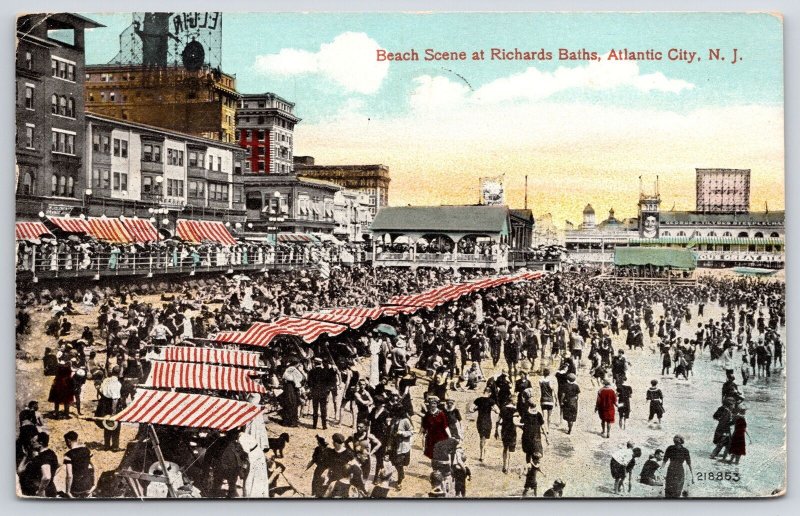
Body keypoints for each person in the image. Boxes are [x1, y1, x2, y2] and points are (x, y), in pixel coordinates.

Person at [18, 432, 59, 497]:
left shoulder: (44, 457)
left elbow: (47, 477)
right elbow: (20, 471)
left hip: (42, 493)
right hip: (46, 490)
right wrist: (25, 456)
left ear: (41, 443)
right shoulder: (49, 454)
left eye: (33, 442)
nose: (31, 444)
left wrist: (41, 491)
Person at [95, 366, 122, 451]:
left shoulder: (106, 380)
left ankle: (106, 445)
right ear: (119, 373)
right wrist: (113, 412)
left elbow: (100, 391)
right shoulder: (117, 384)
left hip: (104, 402)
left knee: (106, 423)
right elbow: (115, 399)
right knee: (115, 425)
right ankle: (115, 446)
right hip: (111, 404)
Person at [387, 406, 414, 490]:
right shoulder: (394, 419)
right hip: (394, 445)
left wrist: (402, 433)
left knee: (399, 464)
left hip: (402, 446)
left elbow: (411, 431)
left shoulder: (405, 420)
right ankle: (401, 475)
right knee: (394, 462)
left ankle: (399, 481)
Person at [63, 431, 95, 498]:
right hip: (88, 484)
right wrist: (94, 485)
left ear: (68, 441)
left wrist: (67, 491)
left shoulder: (68, 455)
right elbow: (94, 467)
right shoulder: (86, 450)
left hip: (76, 487)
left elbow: (69, 475)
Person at [470, 388, 498, 462]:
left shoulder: (478, 400)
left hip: (480, 421)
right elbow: (498, 411)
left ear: (484, 392)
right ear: (490, 393)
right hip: (487, 421)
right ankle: (483, 455)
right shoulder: (491, 401)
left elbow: (470, 409)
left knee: (481, 438)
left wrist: (477, 408)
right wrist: (493, 409)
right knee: (486, 439)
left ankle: (481, 454)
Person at [496, 400, 518, 474]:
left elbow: (497, 421)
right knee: (511, 450)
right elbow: (516, 422)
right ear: (513, 402)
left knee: (505, 448)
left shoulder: (503, 409)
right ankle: (508, 468)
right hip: (512, 431)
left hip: (504, 430)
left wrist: (496, 431)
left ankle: (504, 465)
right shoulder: (515, 410)